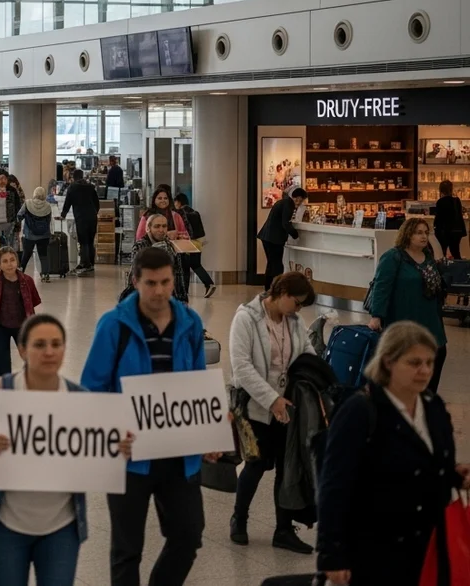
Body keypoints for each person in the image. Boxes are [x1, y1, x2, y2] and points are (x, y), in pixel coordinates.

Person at [0, 313, 135, 586]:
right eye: (39, 345)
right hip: (6, 525)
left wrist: (117, 450)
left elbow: (97, 448)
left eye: (56, 344)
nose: (49, 352)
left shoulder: (79, 399)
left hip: (62, 528)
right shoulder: (0, 391)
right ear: (22, 350)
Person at [81, 247, 216, 586]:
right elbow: (91, 388)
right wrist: (113, 431)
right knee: (127, 550)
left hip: (178, 453)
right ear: (135, 281)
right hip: (129, 458)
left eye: (166, 282)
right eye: (151, 283)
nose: (159, 291)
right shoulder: (114, 325)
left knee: (189, 535)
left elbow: (197, 383)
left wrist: (208, 432)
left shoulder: (190, 323)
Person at [316, 321, 470, 586]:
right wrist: (332, 555)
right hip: (376, 547)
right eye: (414, 363)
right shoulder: (360, 411)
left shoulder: (434, 407)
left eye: (429, 363)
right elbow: (334, 486)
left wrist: (453, 476)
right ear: (388, 362)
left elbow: (428, 464)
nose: (424, 371)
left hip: (429, 543)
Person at [227, 272, 318, 553]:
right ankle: (239, 518)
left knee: (286, 466)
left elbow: (306, 353)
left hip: (287, 406)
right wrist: (271, 400)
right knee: (256, 464)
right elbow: (242, 367)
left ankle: (283, 529)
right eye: (297, 302)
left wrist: (316, 378)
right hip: (255, 406)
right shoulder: (246, 318)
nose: (299, 309)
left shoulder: (294, 321)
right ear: (282, 293)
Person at [366, 217, 450, 392]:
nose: (423, 236)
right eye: (418, 233)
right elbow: (382, 287)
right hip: (403, 317)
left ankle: (427, 397)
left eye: (426, 233)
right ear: (407, 234)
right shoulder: (393, 257)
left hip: (430, 319)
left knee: (438, 354)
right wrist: (377, 316)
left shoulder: (428, 257)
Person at [0, 246, 42, 377]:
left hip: (22, 326)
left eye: (12, 260)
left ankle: (31, 386)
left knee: (31, 359)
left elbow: (33, 302)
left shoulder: (27, 280)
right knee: (3, 366)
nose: (9, 264)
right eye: (5, 261)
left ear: (17, 261)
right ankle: (6, 392)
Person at [121, 213, 190, 304]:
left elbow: (178, 273)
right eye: (157, 226)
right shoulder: (140, 246)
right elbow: (137, 273)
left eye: (164, 226)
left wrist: (183, 299)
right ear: (148, 228)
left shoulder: (171, 246)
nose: (161, 230)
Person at [257, 187, 306, 291]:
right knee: (277, 265)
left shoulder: (283, 202)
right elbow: (285, 223)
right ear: (297, 198)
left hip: (268, 237)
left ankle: (269, 288)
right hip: (274, 239)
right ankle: (275, 289)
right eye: (300, 200)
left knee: (272, 264)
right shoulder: (289, 205)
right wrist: (295, 235)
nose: (299, 202)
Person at [173, 193, 217, 298]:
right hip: (198, 242)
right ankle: (186, 289)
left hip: (187, 242)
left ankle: (208, 283)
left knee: (188, 266)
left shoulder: (179, 213)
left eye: (175, 202)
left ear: (178, 202)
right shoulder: (195, 212)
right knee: (193, 264)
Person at [59, 169, 100, 275]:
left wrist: (62, 215)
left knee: (83, 241)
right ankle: (91, 263)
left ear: (74, 177)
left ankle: (84, 263)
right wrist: (94, 212)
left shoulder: (72, 187)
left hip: (81, 217)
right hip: (92, 217)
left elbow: (67, 203)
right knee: (90, 240)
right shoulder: (91, 187)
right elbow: (97, 203)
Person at [17, 187, 52, 282]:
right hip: (44, 235)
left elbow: (19, 215)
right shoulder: (48, 206)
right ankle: (45, 274)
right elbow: (48, 220)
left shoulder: (28, 203)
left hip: (29, 234)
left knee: (26, 254)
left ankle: (21, 272)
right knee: (43, 255)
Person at [433, 179, 465, 259]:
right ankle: (460, 268)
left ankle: (444, 267)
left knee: (442, 251)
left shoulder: (440, 202)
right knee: (455, 251)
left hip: (445, 231)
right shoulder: (456, 201)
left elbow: (439, 219)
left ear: (441, 190)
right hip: (457, 231)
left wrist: (436, 228)